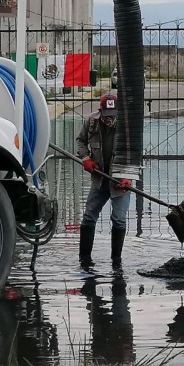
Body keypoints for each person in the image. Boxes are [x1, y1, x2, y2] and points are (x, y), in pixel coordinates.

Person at [76, 93, 131, 271]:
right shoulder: (91, 122)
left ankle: (117, 262)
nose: (110, 119)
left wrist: (128, 177)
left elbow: (136, 155)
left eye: (113, 115)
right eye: (107, 115)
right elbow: (80, 141)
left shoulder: (127, 127)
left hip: (120, 180)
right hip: (100, 179)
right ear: (101, 112)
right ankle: (84, 260)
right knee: (89, 217)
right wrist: (85, 158)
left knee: (119, 220)